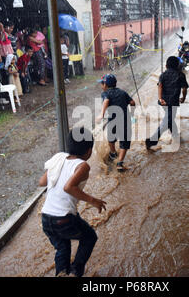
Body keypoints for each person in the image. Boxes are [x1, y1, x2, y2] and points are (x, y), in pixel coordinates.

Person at [39, 127, 107, 277]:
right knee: (89, 237)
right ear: (89, 151)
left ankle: (62, 272)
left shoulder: (59, 158)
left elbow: (42, 181)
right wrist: (94, 201)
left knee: (62, 247)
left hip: (46, 218)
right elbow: (68, 187)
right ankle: (76, 271)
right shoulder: (83, 166)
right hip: (64, 218)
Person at [145, 56, 188, 149]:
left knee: (169, 119)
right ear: (178, 65)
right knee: (167, 121)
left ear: (166, 66)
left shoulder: (163, 75)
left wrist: (160, 98)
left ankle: (176, 136)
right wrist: (183, 98)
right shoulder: (181, 75)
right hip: (173, 102)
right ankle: (153, 140)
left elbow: (160, 86)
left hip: (163, 102)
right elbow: (184, 88)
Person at [96, 74, 136, 172]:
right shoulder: (122, 92)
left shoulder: (105, 93)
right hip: (125, 120)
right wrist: (131, 111)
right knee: (124, 142)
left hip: (112, 120)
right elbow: (133, 102)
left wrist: (101, 114)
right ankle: (119, 163)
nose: (101, 86)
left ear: (105, 84)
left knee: (111, 138)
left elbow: (106, 101)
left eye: (102, 83)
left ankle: (113, 153)